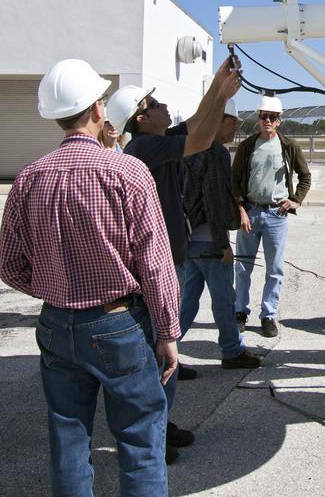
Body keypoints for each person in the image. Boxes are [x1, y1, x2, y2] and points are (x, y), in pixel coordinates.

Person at [0, 58, 182, 497]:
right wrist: (169, 331)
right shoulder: (125, 172)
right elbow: (154, 263)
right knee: (139, 437)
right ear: (99, 110)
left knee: (68, 436)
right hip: (117, 322)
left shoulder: (29, 177)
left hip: (57, 321)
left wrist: (54, 287)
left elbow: (9, 265)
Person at [106, 60, 243, 444]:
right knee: (157, 350)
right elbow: (202, 137)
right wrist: (223, 94)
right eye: (154, 104)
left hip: (169, 256)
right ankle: (154, 435)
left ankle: (159, 427)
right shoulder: (146, 147)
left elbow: (200, 122)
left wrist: (219, 85)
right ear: (141, 120)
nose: (163, 105)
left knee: (160, 345)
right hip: (158, 261)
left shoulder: (156, 142)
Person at [178, 98, 262, 368]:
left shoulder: (191, 149)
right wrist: (223, 243)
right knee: (225, 299)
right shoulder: (215, 153)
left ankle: (162, 349)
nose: (235, 128)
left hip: (191, 241)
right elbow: (213, 200)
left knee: (187, 301)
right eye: (232, 122)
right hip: (209, 242)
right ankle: (232, 351)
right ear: (217, 121)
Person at [230, 94, 312, 338]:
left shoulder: (288, 146)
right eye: (263, 116)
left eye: (272, 117)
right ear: (258, 119)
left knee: (274, 268)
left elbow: (304, 176)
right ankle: (240, 311)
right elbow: (234, 182)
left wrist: (295, 199)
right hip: (251, 214)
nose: (267, 120)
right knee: (243, 266)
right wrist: (241, 209)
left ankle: (268, 314)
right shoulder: (247, 147)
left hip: (277, 214)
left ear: (279, 121)